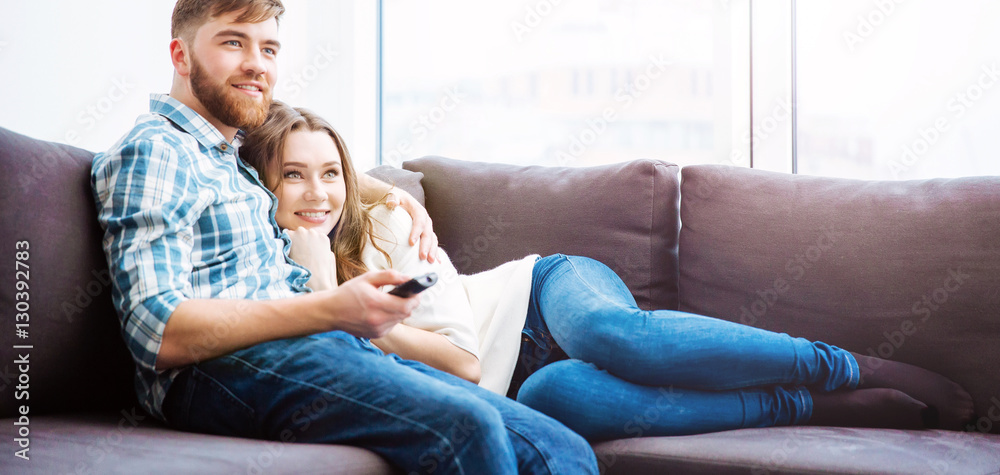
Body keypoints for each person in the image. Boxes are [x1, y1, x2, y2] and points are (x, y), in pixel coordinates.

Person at [91, 0, 598, 475]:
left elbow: (311, 167)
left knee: (558, 446)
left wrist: (394, 194)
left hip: (319, 349)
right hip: (224, 368)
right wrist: (329, 308)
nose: (256, 63)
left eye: (269, 49)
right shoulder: (156, 150)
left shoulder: (232, 159)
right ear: (180, 56)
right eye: (232, 42)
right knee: (466, 427)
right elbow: (155, 331)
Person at [240, 100, 979, 441]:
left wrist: (356, 308)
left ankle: (842, 366)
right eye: (294, 177)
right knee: (560, 394)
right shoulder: (271, 290)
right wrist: (329, 300)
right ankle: (805, 408)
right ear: (259, 187)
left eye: (332, 172)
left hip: (539, 298)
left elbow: (463, 360)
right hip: (522, 385)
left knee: (612, 333)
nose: (319, 194)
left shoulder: (392, 227)